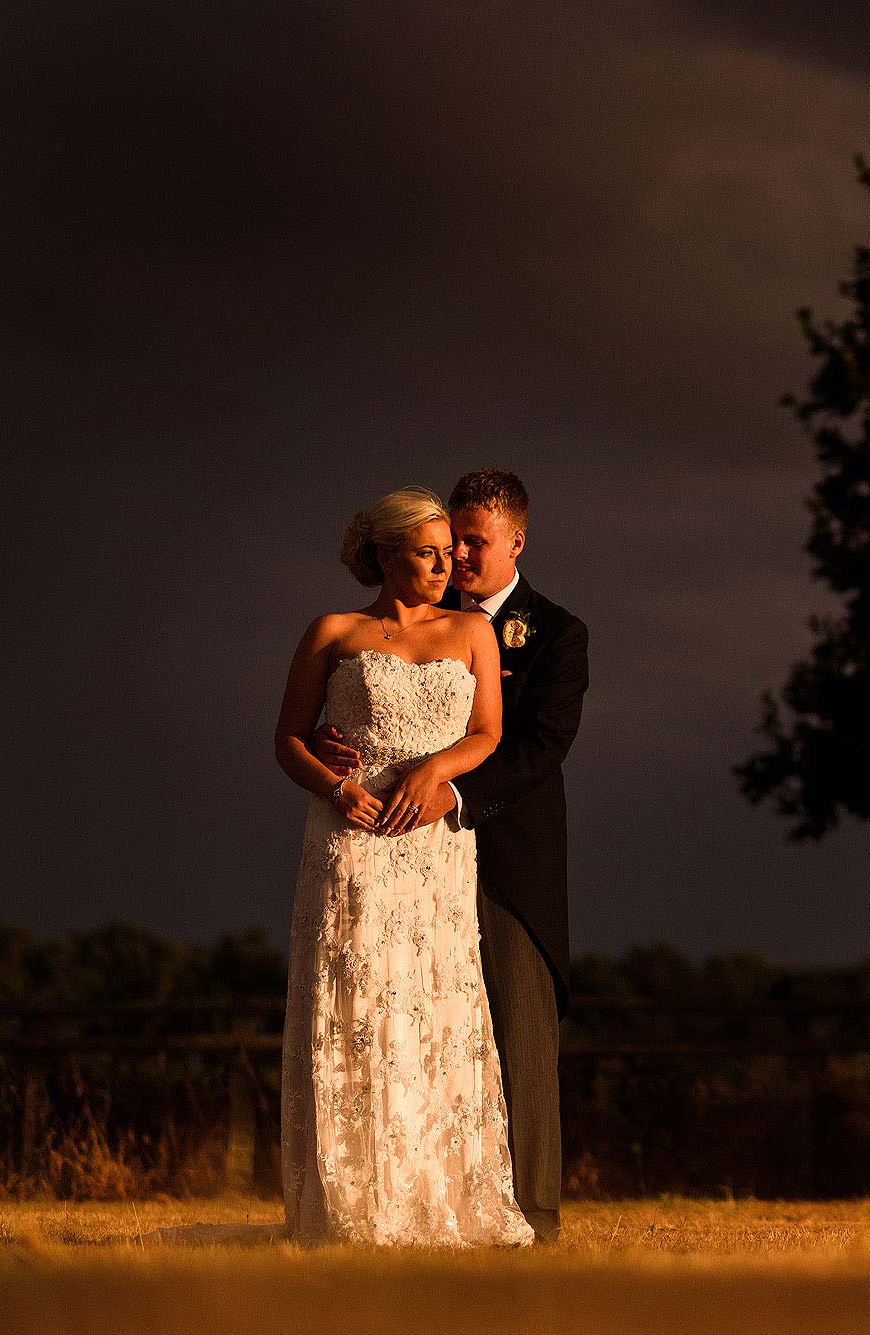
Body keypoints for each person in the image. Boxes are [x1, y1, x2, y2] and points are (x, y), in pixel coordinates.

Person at [313, 468, 588, 1244]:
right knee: (413, 1026)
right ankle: (418, 1200)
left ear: (516, 542)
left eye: (475, 541)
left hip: (503, 856)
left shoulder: (558, 632)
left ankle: (531, 1216)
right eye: (451, 538)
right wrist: (345, 742)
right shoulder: (410, 613)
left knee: (516, 1034)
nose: (459, 555)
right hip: (400, 859)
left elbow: (540, 746)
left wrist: (454, 795)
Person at [272, 486, 533, 1247]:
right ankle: (352, 1204)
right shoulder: (333, 631)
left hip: (431, 843)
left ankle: (438, 1197)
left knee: (433, 1002)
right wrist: (336, 785)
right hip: (349, 841)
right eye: (428, 551)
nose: (447, 564)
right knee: (353, 1001)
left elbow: (488, 731)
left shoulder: (473, 631)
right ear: (384, 554)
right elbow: (288, 737)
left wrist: (436, 774)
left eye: (451, 550)